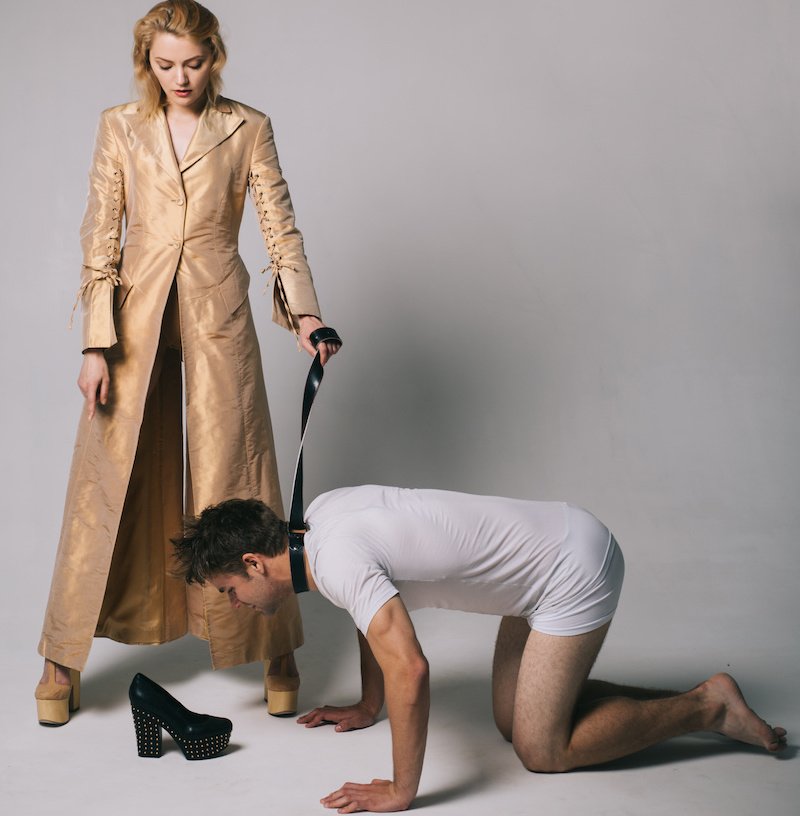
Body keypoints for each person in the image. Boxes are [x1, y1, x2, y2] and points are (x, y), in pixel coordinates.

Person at [35, 0, 340, 727]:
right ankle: (61, 656)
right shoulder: (120, 125)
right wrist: (94, 344)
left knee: (240, 474)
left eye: (194, 63)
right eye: (166, 64)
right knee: (104, 484)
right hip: (134, 319)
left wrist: (306, 315)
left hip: (218, 314)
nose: (180, 77)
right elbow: (100, 234)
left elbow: (278, 227)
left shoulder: (247, 126)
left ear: (215, 58)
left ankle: (273, 642)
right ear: (147, 61)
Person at [173, 485, 787, 813]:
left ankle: (708, 707)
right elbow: (370, 611)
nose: (236, 603)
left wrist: (402, 789)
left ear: (255, 562)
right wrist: (368, 705)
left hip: (571, 568)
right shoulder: (319, 520)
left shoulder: (335, 561)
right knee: (511, 720)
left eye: (230, 589)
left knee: (541, 750)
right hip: (541, 559)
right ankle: (693, 698)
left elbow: (411, 668)